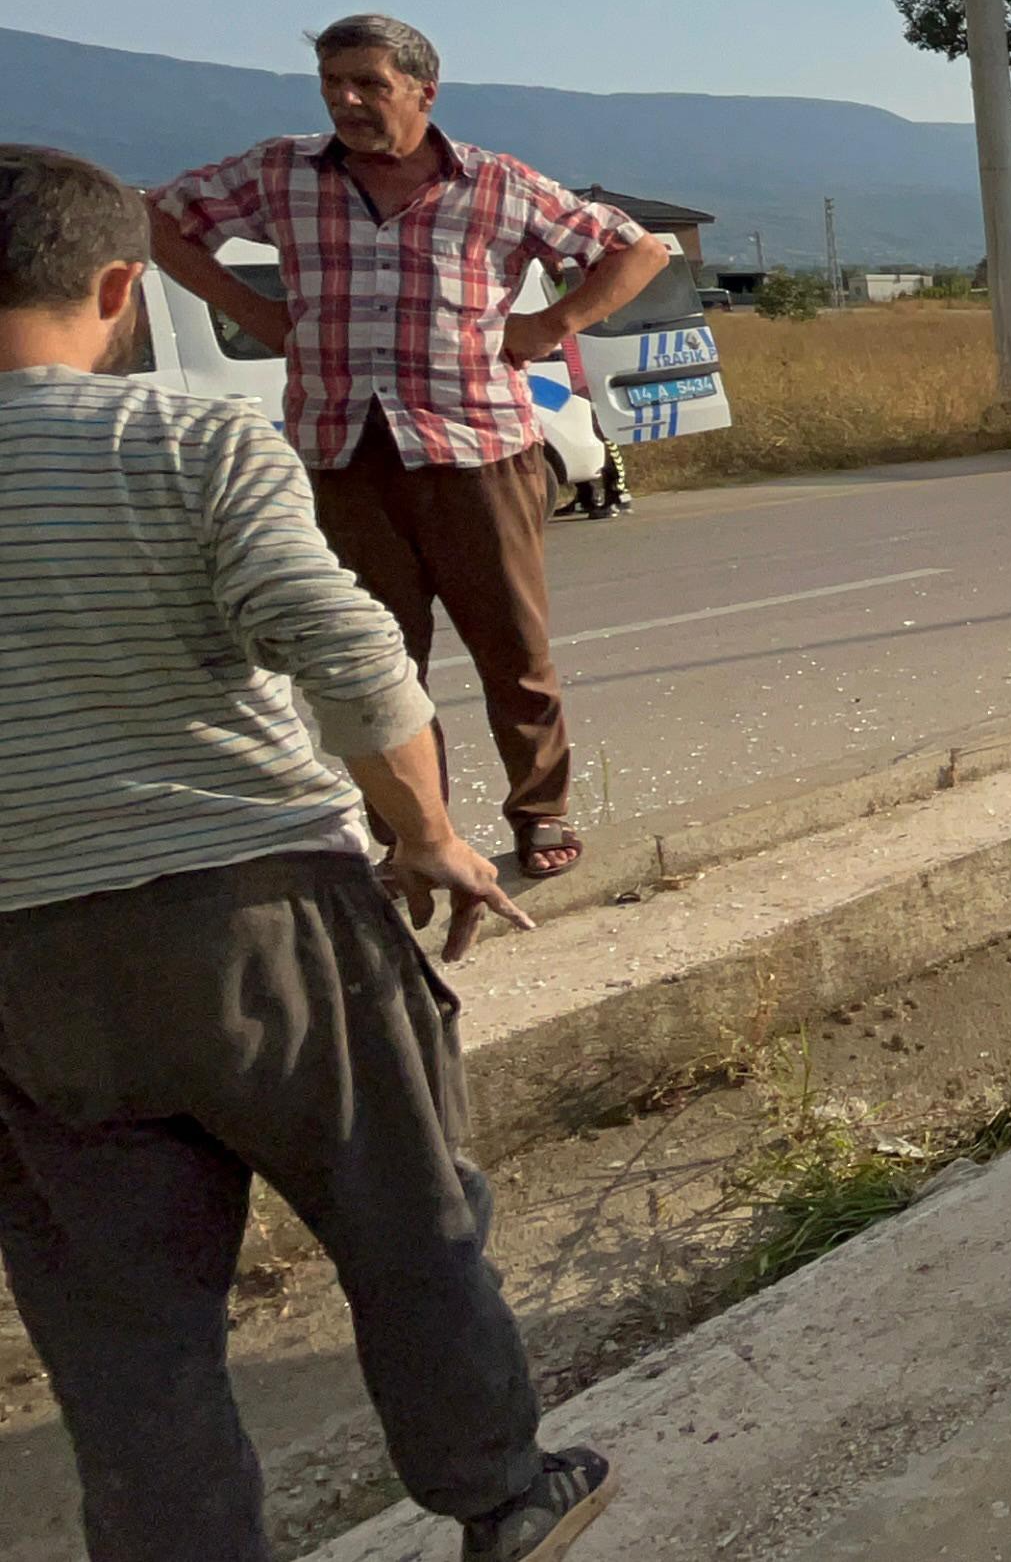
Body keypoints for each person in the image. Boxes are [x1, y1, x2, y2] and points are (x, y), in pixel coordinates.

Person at [0, 146, 613, 1561]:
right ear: (116, 289)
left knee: (120, 1330)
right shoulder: (187, 440)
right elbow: (351, 657)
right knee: (410, 1224)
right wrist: (437, 840)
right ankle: (505, 1496)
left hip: (31, 971)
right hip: (263, 919)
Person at [148, 14, 673, 880]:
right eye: (333, 85)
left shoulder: (498, 185)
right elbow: (159, 221)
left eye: (369, 84)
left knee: (514, 649)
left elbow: (634, 248)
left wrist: (550, 325)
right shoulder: (282, 172)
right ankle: (408, 830)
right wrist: (253, 314)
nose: (348, 101)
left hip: (477, 447)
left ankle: (540, 811)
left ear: (425, 93)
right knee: (374, 655)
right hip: (342, 448)